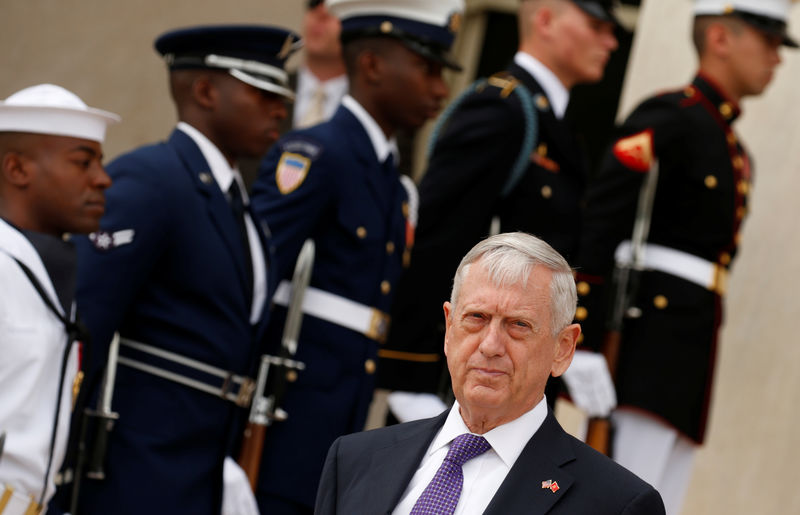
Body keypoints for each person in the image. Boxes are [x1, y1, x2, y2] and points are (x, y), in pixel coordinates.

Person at [574, 1, 796, 513]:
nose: (776, 59)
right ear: (720, 38)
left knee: (662, 500)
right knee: (624, 494)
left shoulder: (732, 147)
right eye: (766, 42)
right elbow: (604, 219)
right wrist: (582, 333)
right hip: (646, 344)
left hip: (689, 350)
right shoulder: (670, 117)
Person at [72, 25, 299, 514]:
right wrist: (64, 459)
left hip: (201, 468)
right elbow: (87, 321)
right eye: (263, 93)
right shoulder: (153, 179)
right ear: (204, 92)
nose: (280, 108)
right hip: (131, 465)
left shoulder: (243, 208)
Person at [249, 0, 464, 512]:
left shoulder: (391, 180)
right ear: (370, 66)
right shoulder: (318, 155)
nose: (440, 89)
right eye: (427, 69)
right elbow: (251, 284)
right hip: (285, 412)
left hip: (341, 410)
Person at [377, 0, 621, 417]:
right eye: (597, 26)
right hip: (460, 380)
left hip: (515, 379)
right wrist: (409, 373)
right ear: (545, 19)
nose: (611, 41)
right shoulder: (501, 108)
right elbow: (438, 240)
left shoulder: (557, 125)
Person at [315, 232, 665, 514]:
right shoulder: (353, 459)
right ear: (450, 328)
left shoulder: (617, 504)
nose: (490, 345)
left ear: (563, 349)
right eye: (476, 318)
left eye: (518, 325)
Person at [0, 84, 118, 514]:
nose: (102, 178)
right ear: (17, 169)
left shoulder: (44, 267)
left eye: (100, 161)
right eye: (82, 162)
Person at [292, 0, 348, 129]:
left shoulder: (373, 103)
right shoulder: (268, 92)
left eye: (335, 6)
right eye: (314, 3)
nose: (321, 12)